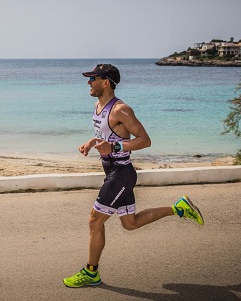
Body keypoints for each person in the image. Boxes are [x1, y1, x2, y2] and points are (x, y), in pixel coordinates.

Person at [63, 64, 204, 288]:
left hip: (121, 174)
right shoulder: (98, 106)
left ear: (105, 82)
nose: (88, 83)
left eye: (92, 79)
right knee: (130, 223)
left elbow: (144, 140)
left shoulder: (121, 110)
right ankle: (179, 208)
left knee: (94, 220)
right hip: (112, 172)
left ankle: (91, 272)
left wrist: (115, 148)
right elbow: (107, 135)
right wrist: (93, 142)